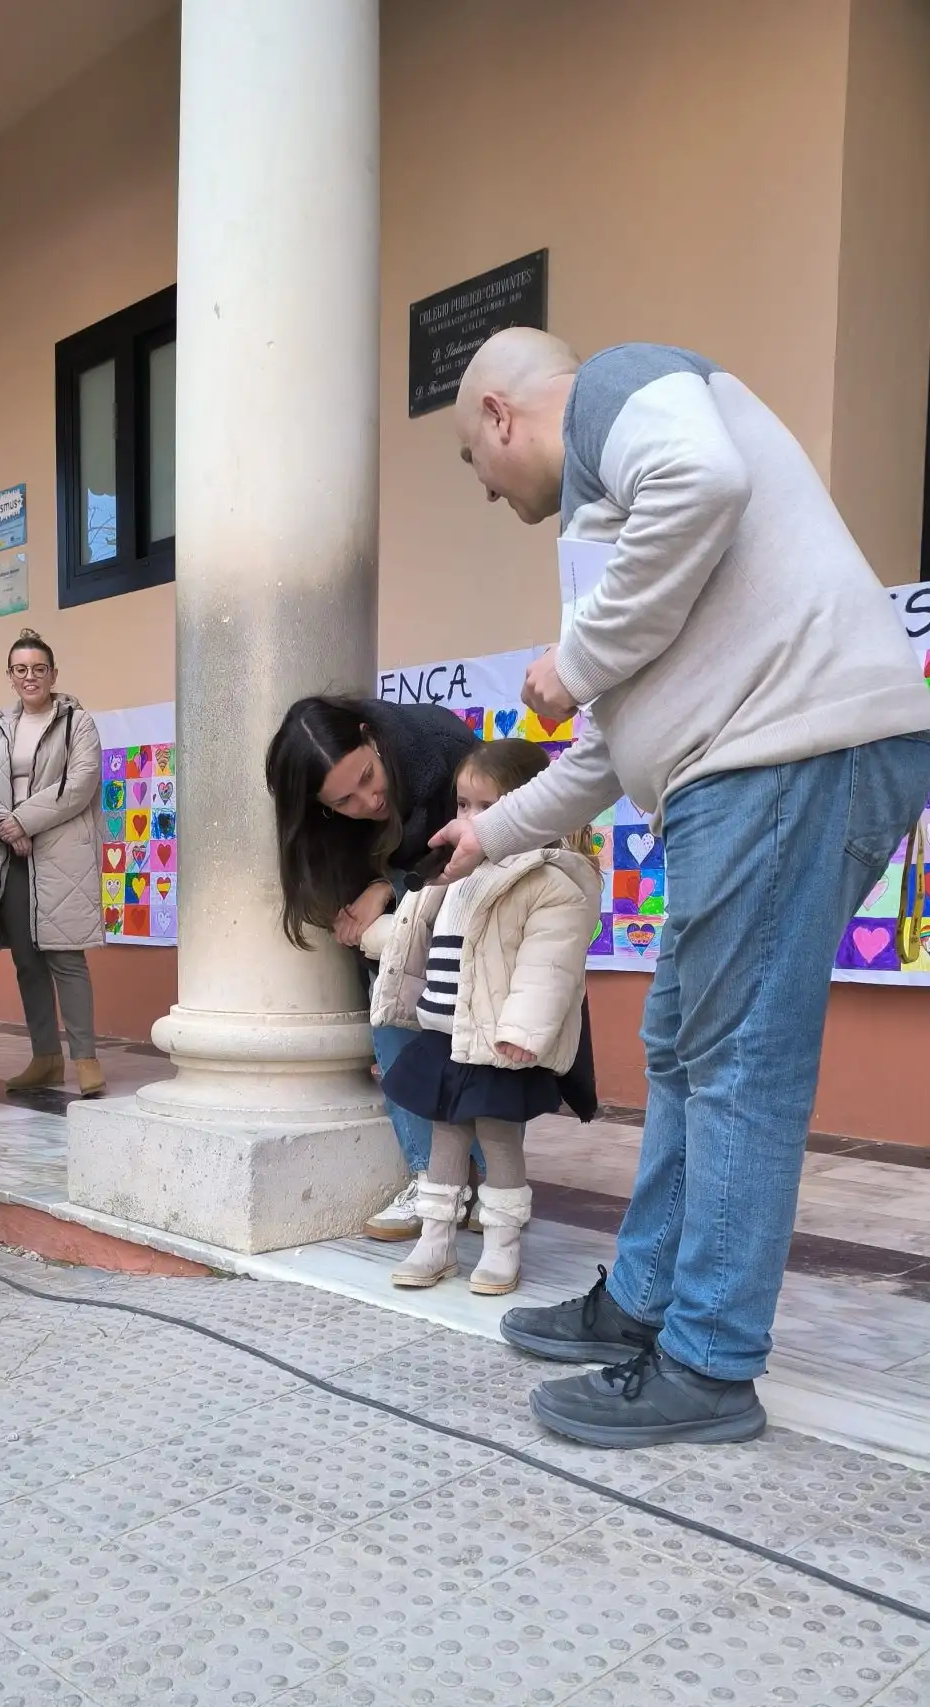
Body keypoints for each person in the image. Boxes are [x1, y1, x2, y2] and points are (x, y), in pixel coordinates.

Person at [435, 326, 930, 1448]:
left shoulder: (619, 386)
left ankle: (706, 1361)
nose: (486, 490)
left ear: (500, 414)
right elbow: (609, 748)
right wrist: (488, 833)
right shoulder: (619, 523)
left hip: (783, 757)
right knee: (681, 1044)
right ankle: (645, 1299)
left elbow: (703, 482)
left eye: (474, 461)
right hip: (754, 767)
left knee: (737, 1060)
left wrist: (574, 661)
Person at [364, 739, 599, 1295]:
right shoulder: (455, 874)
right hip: (445, 1034)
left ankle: (502, 1243)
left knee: (498, 1139)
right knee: (445, 1136)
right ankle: (436, 1238)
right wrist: (370, 935)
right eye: (463, 804)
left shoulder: (548, 882)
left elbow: (548, 967)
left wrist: (522, 1032)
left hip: (497, 1043)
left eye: (487, 807)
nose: (469, 819)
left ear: (529, 809)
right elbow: (414, 933)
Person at [265, 693, 477, 1239]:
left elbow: (486, 847)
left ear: (369, 734)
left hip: (476, 907)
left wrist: (390, 885)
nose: (369, 799)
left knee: (476, 1044)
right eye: (345, 800)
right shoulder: (325, 826)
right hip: (399, 927)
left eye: (367, 776)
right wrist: (372, 897)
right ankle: (430, 1179)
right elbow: (334, 878)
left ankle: (489, 1182)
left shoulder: (441, 746)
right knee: (393, 1023)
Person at [0, 632, 105, 1097]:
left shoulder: (77, 722)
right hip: (10, 856)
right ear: (10, 676)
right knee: (27, 962)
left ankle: (85, 1060)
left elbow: (79, 784)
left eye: (39, 668)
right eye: (21, 669)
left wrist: (21, 821)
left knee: (67, 958)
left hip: (61, 854)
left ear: (53, 674)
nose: (30, 677)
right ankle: (45, 1059)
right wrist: (4, 826)